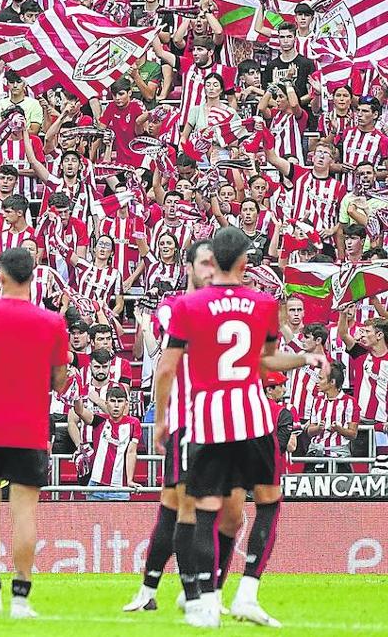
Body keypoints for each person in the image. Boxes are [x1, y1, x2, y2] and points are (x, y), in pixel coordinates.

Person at [153, 227, 327, 628]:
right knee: (268, 503)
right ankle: (247, 591)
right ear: (245, 262)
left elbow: (166, 368)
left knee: (207, 510)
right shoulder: (263, 304)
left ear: (212, 262)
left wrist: (163, 418)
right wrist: (305, 359)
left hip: (207, 417)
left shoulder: (189, 305)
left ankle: (207, 602)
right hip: (253, 416)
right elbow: (267, 361)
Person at [0, 247, 69, 619]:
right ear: (33, 276)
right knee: (25, 513)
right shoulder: (52, 322)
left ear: (0, 276)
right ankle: (21, 598)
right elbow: (60, 381)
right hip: (29, 429)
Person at [123, 240, 216, 613]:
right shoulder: (172, 307)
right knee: (184, 507)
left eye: (215, 263)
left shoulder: (220, 309)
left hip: (216, 418)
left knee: (176, 507)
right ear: (188, 267)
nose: (210, 270)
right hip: (187, 419)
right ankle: (194, 594)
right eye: (203, 263)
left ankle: (151, 590)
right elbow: (167, 355)